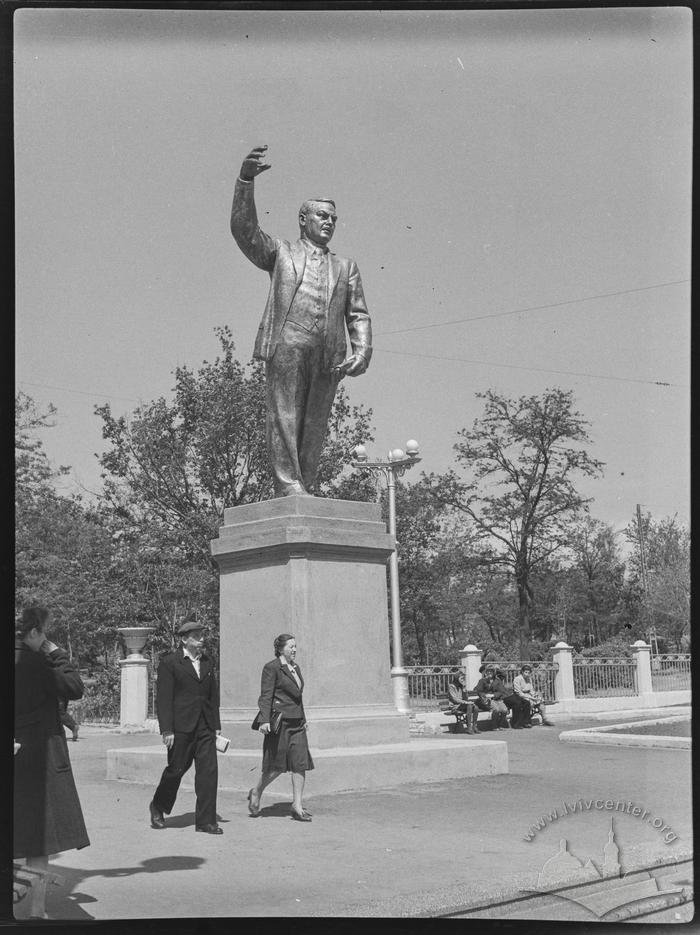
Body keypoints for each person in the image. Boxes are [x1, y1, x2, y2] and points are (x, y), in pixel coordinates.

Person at [230, 144, 373, 497]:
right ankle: (289, 484)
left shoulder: (346, 267)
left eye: (333, 219)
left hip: (329, 355)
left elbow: (358, 313)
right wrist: (245, 182)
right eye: (322, 216)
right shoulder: (281, 253)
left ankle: (305, 483)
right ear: (303, 220)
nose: (329, 223)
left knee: (315, 425)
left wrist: (362, 351)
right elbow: (244, 232)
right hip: (288, 345)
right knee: (285, 418)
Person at [14, 605, 90, 919]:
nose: (46, 638)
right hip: (39, 760)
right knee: (39, 837)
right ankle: (36, 909)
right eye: (43, 632)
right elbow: (74, 688)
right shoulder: (37, 662)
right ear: (33, 632)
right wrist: (56, 652)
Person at [149, 617, 223, 834]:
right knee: (176, 770)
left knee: (208, 773)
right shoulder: (170, 663)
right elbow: (164, 699)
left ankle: (206, 821)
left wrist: (216, 724)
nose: (202, 640)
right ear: (184, 639)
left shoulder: (208, 661)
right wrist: (167, 730)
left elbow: (212, 696)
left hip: (205, 726)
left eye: (202, 636)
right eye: (197, 636)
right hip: (180, 727)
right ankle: (158, 805)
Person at [248, 634, 314, 822]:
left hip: (297, 723)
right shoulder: (272, 668)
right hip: (280, 724)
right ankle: (257, 790)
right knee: (276, 767)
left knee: (300, 764)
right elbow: (266, 696)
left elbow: (297, 698)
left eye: (295, 646)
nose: (294, 649)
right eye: (290, 646)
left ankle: (297, 805)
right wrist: (264, 720)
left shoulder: (295, 667)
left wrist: (304, 718)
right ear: (280, 649)